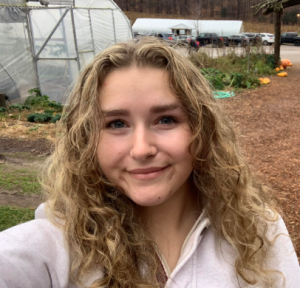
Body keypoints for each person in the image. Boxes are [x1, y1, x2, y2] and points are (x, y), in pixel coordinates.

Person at [0, 38, 299, 288]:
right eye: (116, 124)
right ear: (86, 139)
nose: (142, 149)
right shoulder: (58, 245)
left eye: (166, 119)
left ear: (202, 128)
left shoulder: (259, 231)